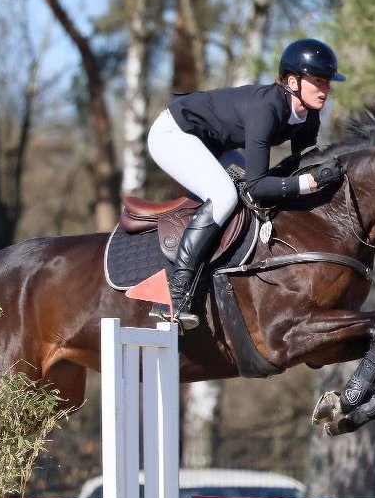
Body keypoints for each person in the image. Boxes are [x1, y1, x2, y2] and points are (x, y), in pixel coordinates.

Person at [146, 38, 349, 329]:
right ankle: (176, 293)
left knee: (253, 198)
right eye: (318, 81)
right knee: (225, 195)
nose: (325, 89)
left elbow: (300, 164)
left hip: (212, 143)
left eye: (328, 82)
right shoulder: (266, 109)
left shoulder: (308, 115)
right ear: (292, 81)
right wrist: (309, 183)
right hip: (173, 135)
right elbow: (259, 185)